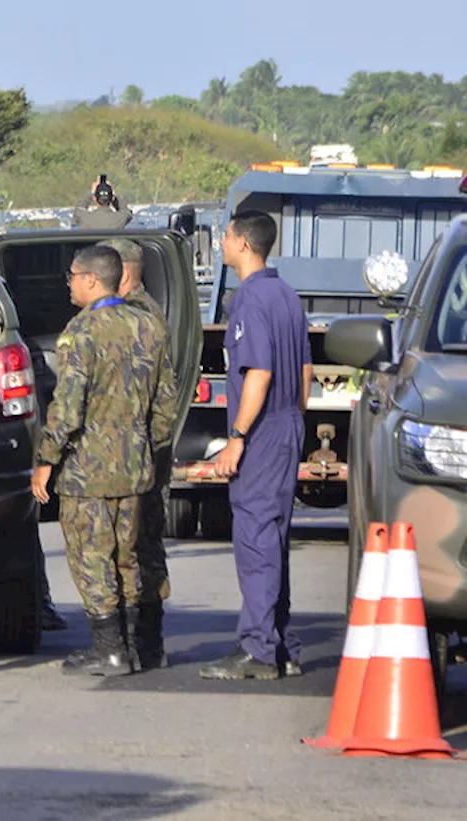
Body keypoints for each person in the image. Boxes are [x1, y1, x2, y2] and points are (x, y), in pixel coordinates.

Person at [31, 245, 176, 676]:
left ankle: (109, 649)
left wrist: (47, 458)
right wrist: (148, 448)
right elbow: (165, 403)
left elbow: (67, 406)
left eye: (73, 276)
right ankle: (138, 646)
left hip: (88, 471)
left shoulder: (80, 332)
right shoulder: (149, 326)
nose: (69, 283)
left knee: (92, 557)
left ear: (92, 280)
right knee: (129, 557)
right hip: (136, 466)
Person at [201, 210, 311, 681]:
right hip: (287, 423)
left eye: (225, 236)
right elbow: (305, 369)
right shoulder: (287, 295)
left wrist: (238, 438)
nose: (221, 242)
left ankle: (259, 649)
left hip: (263, 429)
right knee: (275, 536)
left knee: (255, 538)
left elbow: (258, 373)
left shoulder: (249, 300)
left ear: (244, 244)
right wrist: (296, 421)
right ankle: (281, 642)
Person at [105, 238, 176, 670]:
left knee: (137, 548)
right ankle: (144, 642)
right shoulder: (145, 313)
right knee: (140, 546)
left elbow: (159, 399)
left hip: (139, 455)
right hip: (145, 452)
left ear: (123, 272)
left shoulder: (138, 317)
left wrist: (145, 451)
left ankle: (142, 642)